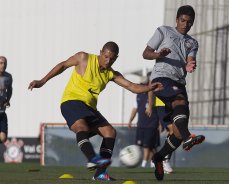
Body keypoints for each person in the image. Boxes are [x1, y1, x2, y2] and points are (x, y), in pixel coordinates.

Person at [28, 41, 163, 181]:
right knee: (82, 127)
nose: (108, 60)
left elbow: (132, 86)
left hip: (89, 107)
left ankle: (100, 173)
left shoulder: (111, 74)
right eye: (106, 56)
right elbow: (62, 65)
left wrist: (150, 88)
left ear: (116, 58)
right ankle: (93, 158)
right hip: (71, 101)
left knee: (110, 132)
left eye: (112, 58)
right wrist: (42, 81)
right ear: (101, 52)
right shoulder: (83, 58)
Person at [142, 5, 205, 180]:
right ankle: (188, 138)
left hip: (179, 82)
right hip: (161, 78)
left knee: (177, 130)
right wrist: (158, 54)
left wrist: (190, 63)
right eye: (183, 20)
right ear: (176, 19)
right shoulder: (163, 31)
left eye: (189, 22)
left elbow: (190, 58)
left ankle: (159, 157)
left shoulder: (192, 42)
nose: (185, 24)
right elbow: (145, 53)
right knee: (179, 102)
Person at [128, 75, 160, 168]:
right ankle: (156, 162)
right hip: (141, 124)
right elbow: (135, 108)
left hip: (152, 124)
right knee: (150, 147)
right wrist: (130, 120)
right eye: (141, 84)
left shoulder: (154, 95)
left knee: (147, 146)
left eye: (144, 84)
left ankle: (144, 164)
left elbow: (160, 109)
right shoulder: (138, 95)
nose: (142, 85)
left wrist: (160, 123)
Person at [0, 56, 13, 144]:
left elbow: (10, 89)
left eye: (5, 63)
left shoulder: (8, 77)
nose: (3, 65)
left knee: (3, 138)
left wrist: (8, 100)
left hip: (1, 112)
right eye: (1, 63)